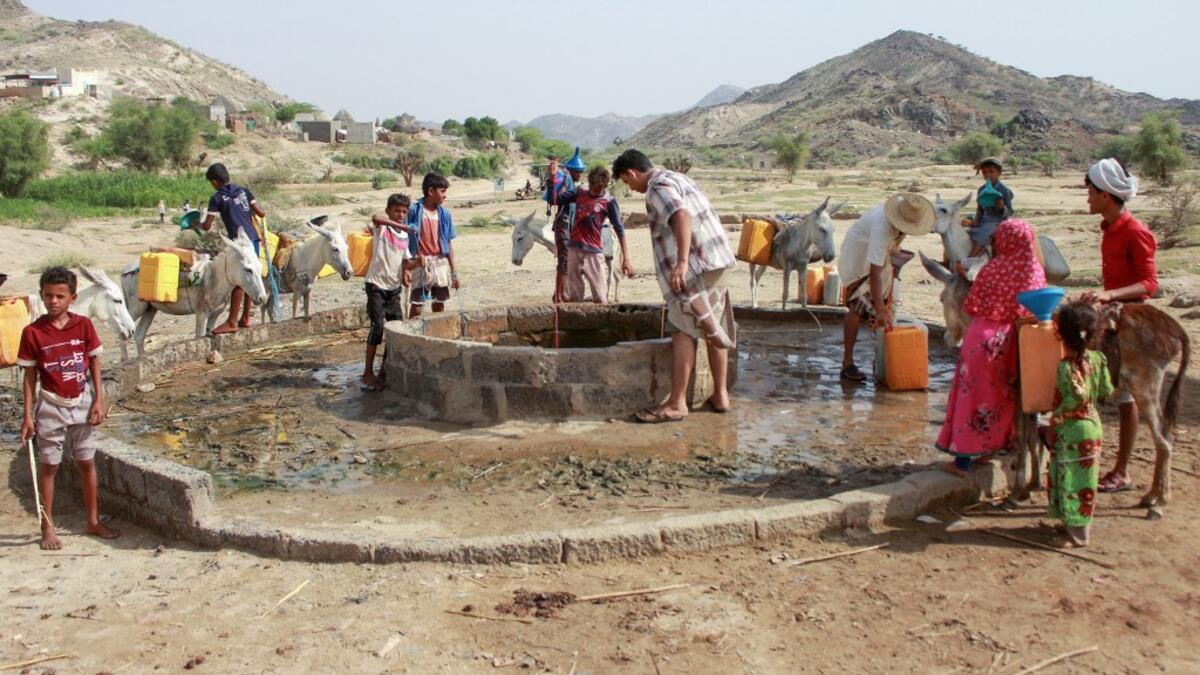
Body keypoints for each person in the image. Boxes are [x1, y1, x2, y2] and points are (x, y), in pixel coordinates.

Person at [612, 149, 735, 423]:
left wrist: (681, 262)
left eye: (626, 182)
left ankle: (677, 402)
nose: (629, 188)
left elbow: (681, 215)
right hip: (718, 260)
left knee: (682, 329)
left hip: (696, 267)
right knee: (713, 326)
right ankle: (721, 396)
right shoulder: (678, 178)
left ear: (631, 173)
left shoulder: (657, 187)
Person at [17, 267, 120, 550]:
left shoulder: (84, 326)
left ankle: (93, 520)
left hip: (82, 402)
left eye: (60, 296)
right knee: (49, 465)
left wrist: (99, 399)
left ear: (72, 298)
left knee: (86, 461)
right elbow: (29, 377)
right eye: (48, 296)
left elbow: (95, 363)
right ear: (41, 296)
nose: (53, 301)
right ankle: (47, 527)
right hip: (50, 405)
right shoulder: (32, 333)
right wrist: (27, 416)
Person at [936, 219, 1046, 477]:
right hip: (1013, 344)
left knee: (970, 399)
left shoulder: (993, 269)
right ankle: (989, 450)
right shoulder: (1035, 271)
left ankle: (962, 462)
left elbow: (971, 306)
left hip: (981, 341)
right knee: (1002, 400)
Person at [1078, 158, 1158, 494]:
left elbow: (1149, 283)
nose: (1088, 199)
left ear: (1107, 196)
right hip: (1111, 318)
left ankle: (1122, 471)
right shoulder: (1109, 229)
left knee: (1126, 396)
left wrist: (1111, 294)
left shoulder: (1135, 231)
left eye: (1091, 193)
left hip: (1131, 324)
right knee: (1102, 387)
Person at [837, 193, 934, 382]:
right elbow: (874, 274)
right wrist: (880, 309)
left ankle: (881, 361)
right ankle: (847, 364)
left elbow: (888, 252)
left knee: (881, 306)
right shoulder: (882, 228)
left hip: (877, 258)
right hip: (858, 257)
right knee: (859, 306)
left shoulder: (903, 213)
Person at [1042, 301, 1113, 548]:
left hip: (1071, 430)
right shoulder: (1099, 359)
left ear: (1059, 333)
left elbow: (1070, 401)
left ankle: (1076, 535)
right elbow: (1106, 390)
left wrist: (1053, 424)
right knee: (1084, 480)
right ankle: (1072, 525)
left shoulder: (1065, 368)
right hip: (1093, 426)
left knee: (1069, 479)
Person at [363, 194, 424, 391]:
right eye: (396, 210)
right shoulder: (383, 228)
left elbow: (406, 262)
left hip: (393, 287)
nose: (400, 215)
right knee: (377, 327)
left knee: (396, 328)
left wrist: (417, 262)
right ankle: (367, 372)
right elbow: (375, 218)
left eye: (404, 212)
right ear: (389, 210)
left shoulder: (404, 237)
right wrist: (404, 226)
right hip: (376, 285)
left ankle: (383, 371)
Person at [199, 163, 266, 334]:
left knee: (239, 280)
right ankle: (245, 318)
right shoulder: (244, 191)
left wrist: (194, 223)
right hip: (253, 240)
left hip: (238, 244)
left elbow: (206, 226)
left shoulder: (217, 198)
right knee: (251, 276)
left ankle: (232, 322)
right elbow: (261, 213)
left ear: (214, 182)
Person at [555, 166, 635, 303]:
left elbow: (619, 229)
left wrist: (626, 259)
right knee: (574, 295)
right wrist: (553, 179)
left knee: (599, 294)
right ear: (589, 182)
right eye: (592, 186)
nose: (594, 190)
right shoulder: (580, 192)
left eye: (598, 188)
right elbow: (556, 199)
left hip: (593, 251)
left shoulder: (609, 201)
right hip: (574, 248)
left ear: (605, 186)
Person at [406, 172, 459, 317]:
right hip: (420, 262)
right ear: (430, 191)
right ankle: (413, 336)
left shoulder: (445, 214)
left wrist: (454, 272)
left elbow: (448, 243)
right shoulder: (413, 211)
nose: (445, 195)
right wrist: (406, 266)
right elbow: (402, 237)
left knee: (439, 303)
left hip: (440, 261)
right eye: (442, 191)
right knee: (417, 306)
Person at [546, 153, 580, 302]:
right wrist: (553, 178)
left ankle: (561, 293)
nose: (581, 174)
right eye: (579, 172)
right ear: (573, 171)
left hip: (567, 225)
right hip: (563, 225)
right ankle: (558, 296)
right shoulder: (566, 179)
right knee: (564, 259)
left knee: (566, 260)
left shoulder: (570, 180)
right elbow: (555, 199)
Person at [964, 157, 1014, 256]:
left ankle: (970, 259)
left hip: (997, 221)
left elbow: (1010, 211)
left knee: (985, 231)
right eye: (984, 172)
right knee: (962, 229)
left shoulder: (1004, 190)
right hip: (983, 220)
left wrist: (1001, 207)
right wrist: (976, 220)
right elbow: (980, 209)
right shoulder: (981, 190)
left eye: (991, 172)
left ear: (999, 172)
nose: (988, 175)